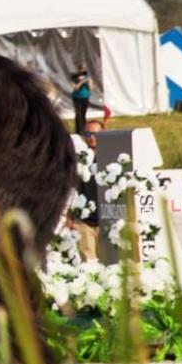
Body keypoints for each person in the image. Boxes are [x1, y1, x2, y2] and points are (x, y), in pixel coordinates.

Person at [69, 121, 103, 261]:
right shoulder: (77, 159)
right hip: (83, 223)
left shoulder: (114, 157)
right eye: (88, 134)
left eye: (96, 133)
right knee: (89, 266)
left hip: (107, 221)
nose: (92, 137)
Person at [70, 67, 92, 135]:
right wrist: (81, 82)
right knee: (78, 114)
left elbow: (91, 88)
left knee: (83, 114)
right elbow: (75, 88)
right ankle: (78, 130)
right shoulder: (74, 77)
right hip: (77, 98)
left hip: (85, 97)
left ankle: (84, 129)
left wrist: (88, 82)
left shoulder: (87, 77)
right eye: (82, 70)